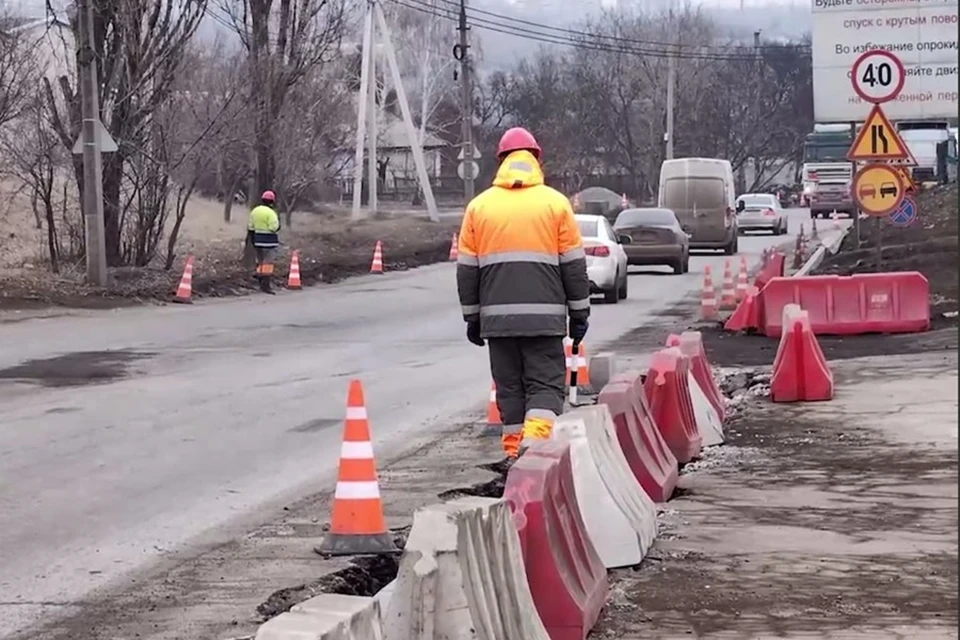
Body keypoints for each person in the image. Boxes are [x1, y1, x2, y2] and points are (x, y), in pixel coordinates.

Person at [456, 127, 590, 459]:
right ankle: (535, 449)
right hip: (544, 324)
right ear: (536, 160)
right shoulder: (555, 204)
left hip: (498, 324)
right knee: (544, 388)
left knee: (510, 391)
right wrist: (580, 314)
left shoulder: (479, 207)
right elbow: (573, 266)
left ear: (500, 161)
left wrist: (472, 318)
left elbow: (467, 271)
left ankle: (515, 457)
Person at [247, 190, 281, 294]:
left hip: (257, 240)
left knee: (260, 261)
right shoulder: (271, 213)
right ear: (272, 201)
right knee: (268, 263)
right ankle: (265, 285)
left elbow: (250, 227)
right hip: (269, 242)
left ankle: (260, 278)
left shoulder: (255, 211)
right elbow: (273, 227)